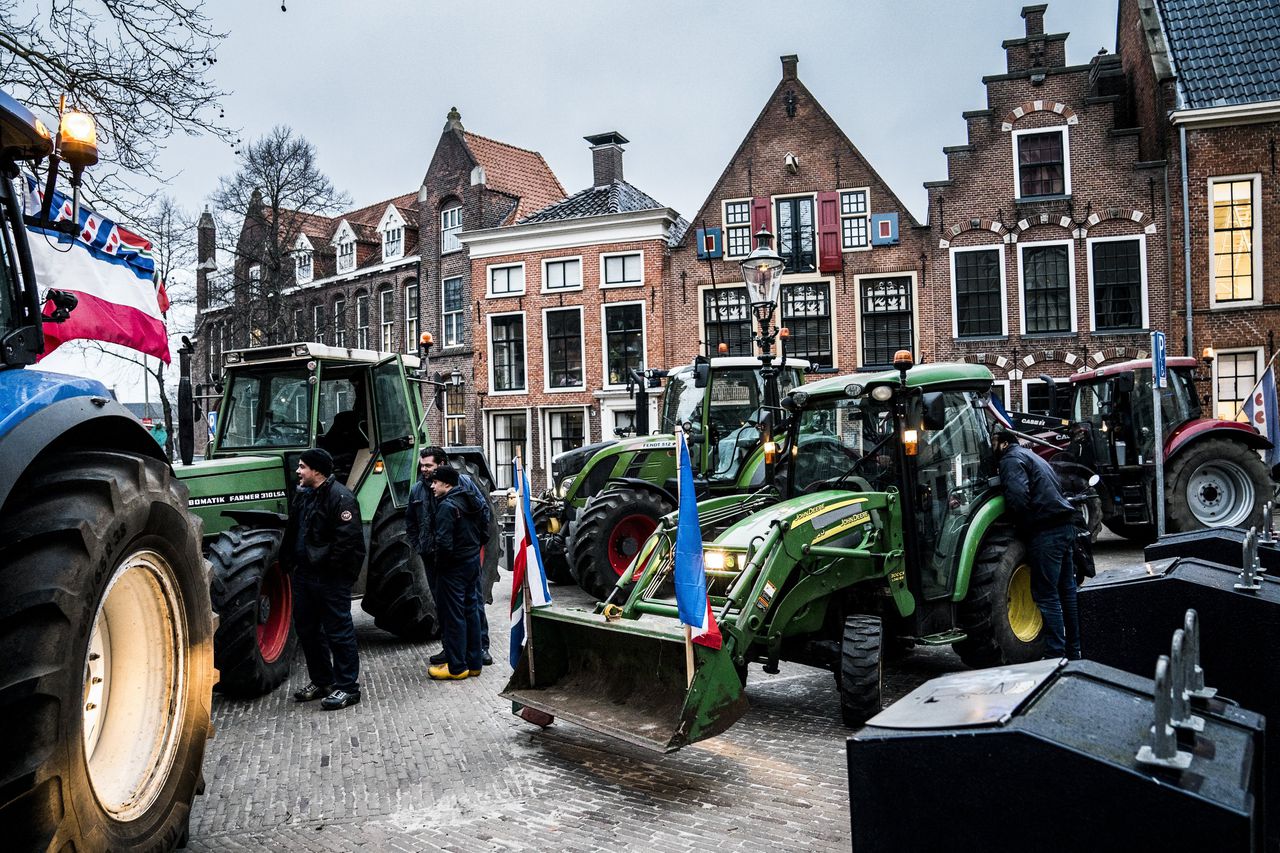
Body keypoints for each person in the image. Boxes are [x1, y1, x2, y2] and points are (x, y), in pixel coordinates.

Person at [281, 447, 367, 709]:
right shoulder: (304, 496)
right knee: (307, 631)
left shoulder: (341, 499)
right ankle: (322, 681)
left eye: (303, 467)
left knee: (338, 632)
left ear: (316, 471)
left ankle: (348, 688)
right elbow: (294, 531)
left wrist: (334, 575)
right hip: (304, 576)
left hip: (329, 579)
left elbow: (348, 543)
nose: (298, 471)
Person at [991, 426, 1081, 660]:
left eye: (992, 441)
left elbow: (1019, 498)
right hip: (1065, 526)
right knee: (1067, 591)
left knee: (1046, 594)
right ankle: (1074, 650)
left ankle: (1055, 654)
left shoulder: (1010, 460)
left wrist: (1019, 527)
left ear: (1001, 442)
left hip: (1046, 532)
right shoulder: (1031, 455)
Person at [414, 446, 494, 668]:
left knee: (472, 603)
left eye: (428, 466)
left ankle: (479, 648)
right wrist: (420, 545)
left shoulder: (462, 487)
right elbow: (412, 520)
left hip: (454, 559)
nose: (424, 470)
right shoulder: (418, 490)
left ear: (441, 466)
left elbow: (483, 511)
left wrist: (474, 543)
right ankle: (452, 648)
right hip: (434, 557)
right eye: (422, 466)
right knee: (445, 605)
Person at [427, 465, 486, 680]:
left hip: (452, 568)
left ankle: (457, 667)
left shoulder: (446, 507)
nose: (432, 486)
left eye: (436, 482)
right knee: (471, 611)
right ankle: (475, 663)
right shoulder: (472, 501)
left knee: (453, 616)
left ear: (447, 484)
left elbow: (443, 543)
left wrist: (440, 565)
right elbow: (485, 530)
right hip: (471, 563)